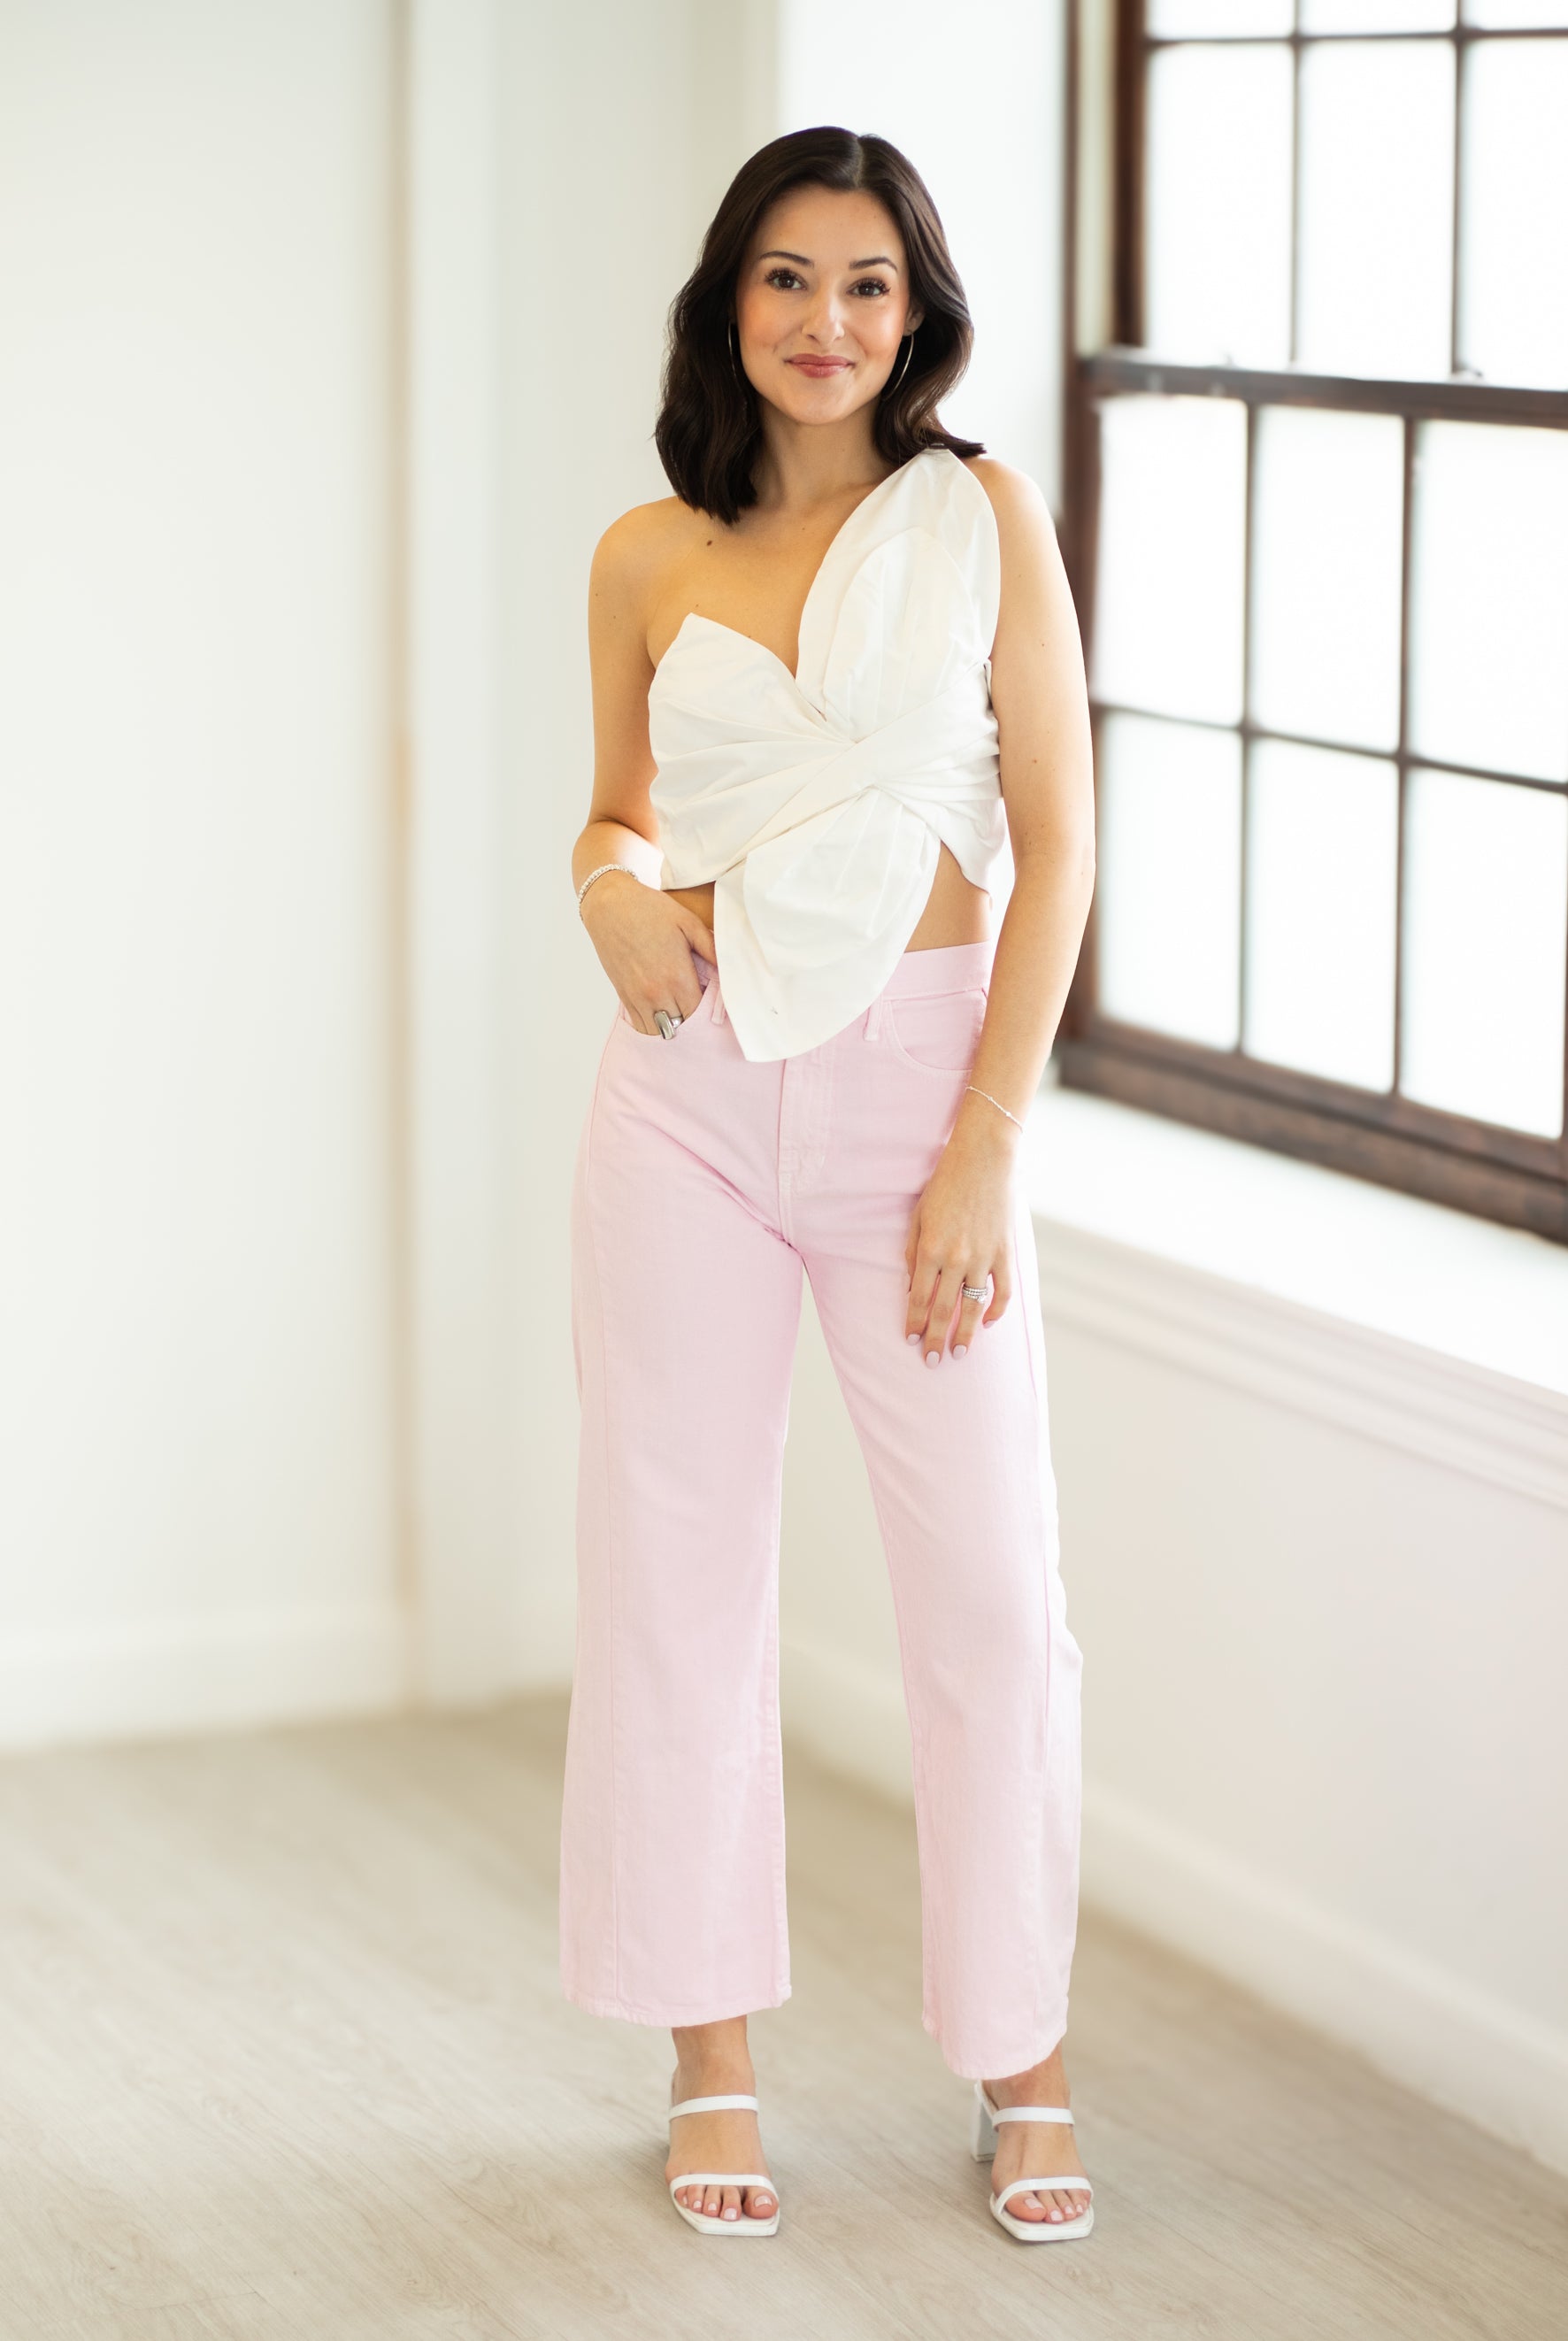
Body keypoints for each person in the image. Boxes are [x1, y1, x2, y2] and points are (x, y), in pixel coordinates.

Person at [563, 125, 1096, 2245]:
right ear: (728, 302)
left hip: (916, 1110)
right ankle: (709, 2053)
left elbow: (1050, 848)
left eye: (865, 282)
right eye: (786, 278)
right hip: (686, 1095)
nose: (824, 322)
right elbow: (614, 817)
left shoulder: (977, 518)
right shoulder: (642, 552)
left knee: (987, 1600)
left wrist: (982, 1148)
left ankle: (1025, 2067)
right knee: (674, 1575)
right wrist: (599, 888)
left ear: (918, 308)